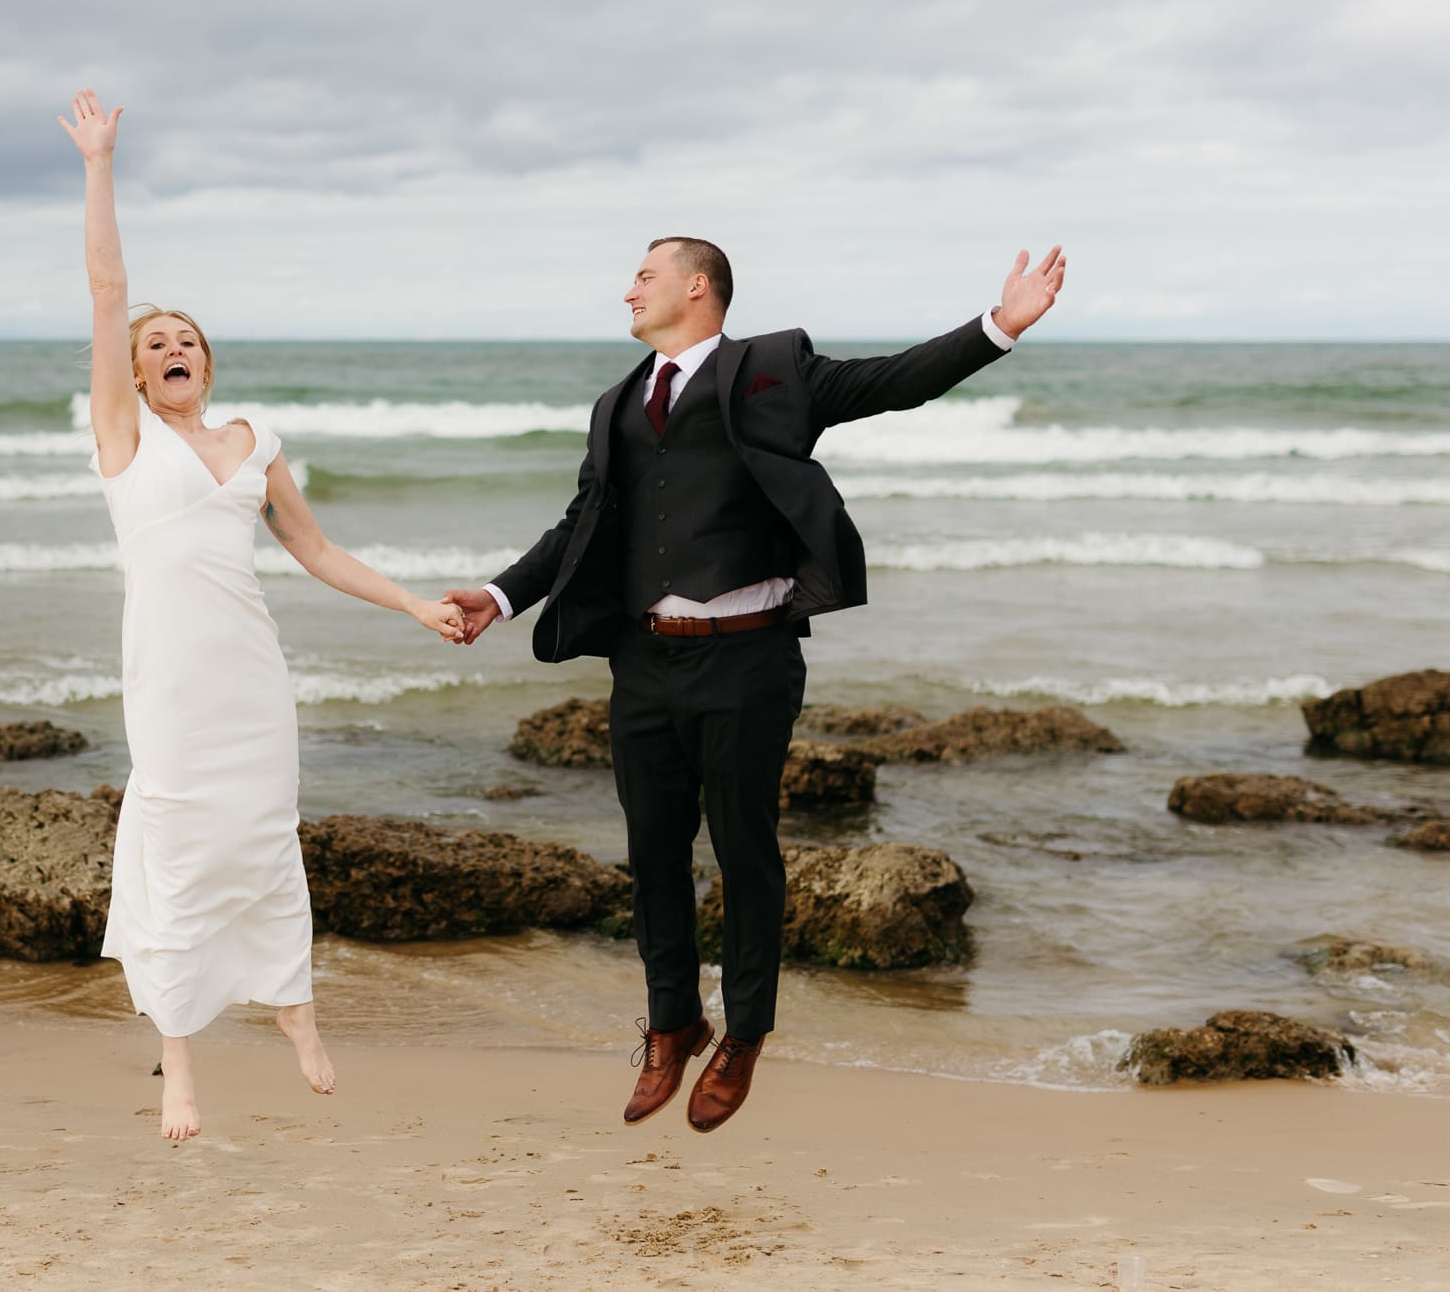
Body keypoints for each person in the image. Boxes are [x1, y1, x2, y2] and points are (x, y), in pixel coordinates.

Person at [444, 236, 1065, 1133]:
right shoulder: (618, 402)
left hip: (747, 655)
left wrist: (1000, 324)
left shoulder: (776, 367)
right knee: (653, 850)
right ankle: (672, 1022)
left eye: (644, 276)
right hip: (644, 659)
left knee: (744, 849)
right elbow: (585, 518)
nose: (628, 290)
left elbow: (894, 380)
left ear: (696, 288)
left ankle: (744, 1034)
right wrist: (501, 595)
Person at [59, 89, 466, 1142]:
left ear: (207, 362)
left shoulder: (254, 440)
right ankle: (180, 1069)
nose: (167, 346)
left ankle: (296, 1017)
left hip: (249, 676)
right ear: (137, 374)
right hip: (169, 679)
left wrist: (416, 605)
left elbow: (314, 549)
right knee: (181, 852)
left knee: (263, 844)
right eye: (153, 344)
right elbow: (108, 289)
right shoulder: (122, 438)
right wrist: (100, 163)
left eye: (184, 338)